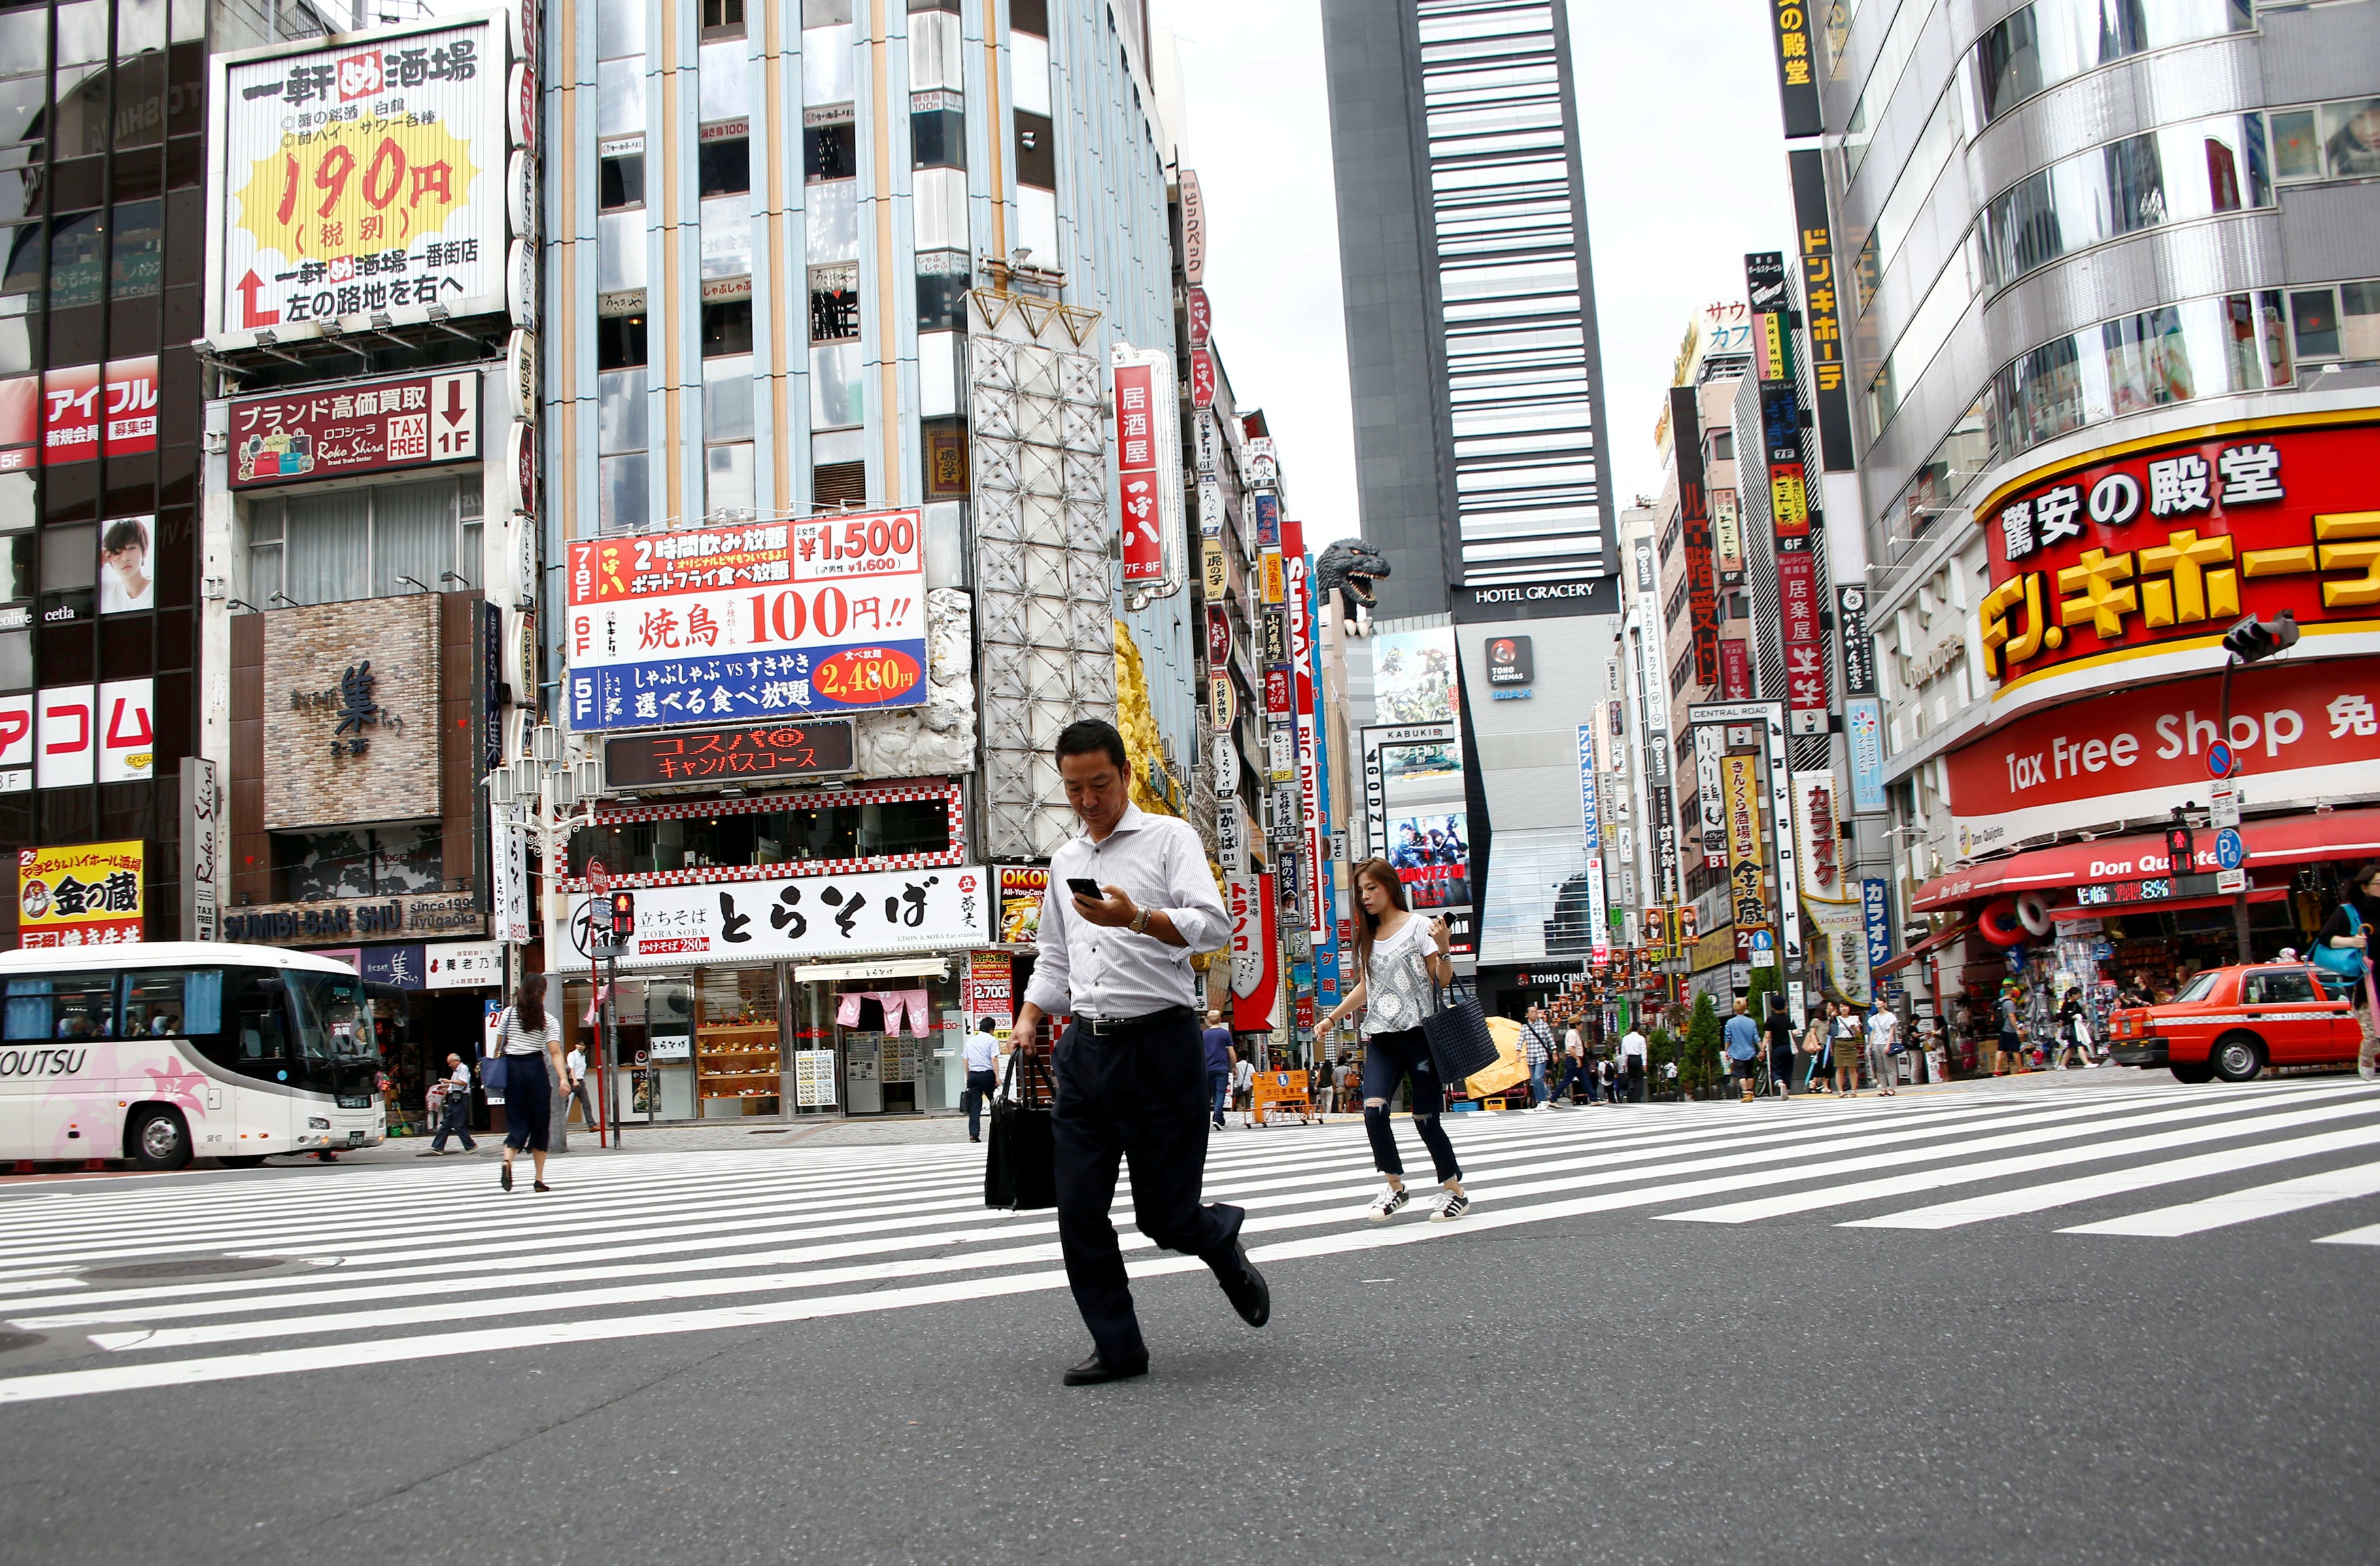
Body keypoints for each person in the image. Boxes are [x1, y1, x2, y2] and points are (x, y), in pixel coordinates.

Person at [1008, 718, 1265, 1387]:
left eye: (1099, 783)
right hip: (1084, 1053)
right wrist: (1030, 1015)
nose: (1087, 799)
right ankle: (1118, 1346)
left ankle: (1218, 1241)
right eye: (1074, 788)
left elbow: (1214, 925)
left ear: (1124, 773)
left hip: (1159, 1048)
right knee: (1077, 1210)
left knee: (1166, 1217)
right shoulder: (1064, 862)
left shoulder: (1169, 838)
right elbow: (1055, 957)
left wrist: (1137, 917)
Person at [1316, 855, 1470, 1225]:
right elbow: (1367, 986)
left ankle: (1455, 1192)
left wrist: (1444, 947)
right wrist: (1332, 1018)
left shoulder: (1419, 927)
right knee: (1373, 1111)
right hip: (1383, 1037)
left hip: (1420, 1035)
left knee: (1426, 1119)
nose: (1366, 897)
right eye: (1361, 891)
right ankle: (1395, 1186)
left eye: (1372, 888)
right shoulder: (1367, 937)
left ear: (1389, 886)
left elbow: (1441, 980)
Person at [496, 978, 566, 1193]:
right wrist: (563, 1078)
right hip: (536, 1069)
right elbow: (555, 1052)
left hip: (512, 1070)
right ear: (543, 993)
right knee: (540, 1123)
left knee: (517, 1121)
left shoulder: (508, 1014)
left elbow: (499, 1044)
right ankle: (538, 1179)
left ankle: (508, 1160)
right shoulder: (549, 1020)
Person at [2315, 861, 2380, 1079]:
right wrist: (2352, 942)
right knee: (2373, 1033)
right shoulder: (2348, 912)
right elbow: (2325, 938)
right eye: (2379, 883)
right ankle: (2367, 1054)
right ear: (2365, 887)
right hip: (2364, 980)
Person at [423, 1053, 475, 1155]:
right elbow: (456, 1084)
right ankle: (438, 1147)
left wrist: (450, 1081)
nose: (450, 1065)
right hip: (454, 1098)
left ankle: (471, 1145)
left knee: (458, 1124)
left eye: (450, 1063)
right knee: (446, 1124)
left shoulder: (463, 1068)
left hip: (460, 1098)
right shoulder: (456, 1071)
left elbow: (464, 1082)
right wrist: (445, 1086)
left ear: (457, 1061)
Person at [99, 517, 153, 613]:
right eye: (117, 552)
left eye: (132, 548)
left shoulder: (155, 591)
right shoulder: (106, 591)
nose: (125, 558)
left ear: (144, 551)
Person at [961, 1017, 1002, 1142]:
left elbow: (965, 1061)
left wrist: (968, 1077)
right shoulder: (991, 1040)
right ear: (992, 1029)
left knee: (975, 1106)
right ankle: (999, 1131)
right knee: (995, 1104)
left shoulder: (971, 1041)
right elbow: (994, 1058)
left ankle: (974, 1135)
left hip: (973, 1076)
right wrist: (997, 1077)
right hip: (987, 1075)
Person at [1202, 1008, 1234, 1130]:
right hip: (1221, 1068)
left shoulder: (1204, 1035)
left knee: (1210, 1095)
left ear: (1209, 1021)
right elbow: (1231, 1053)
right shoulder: (1225, 1034)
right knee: (1220, 1093)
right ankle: (1217, 1118)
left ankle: (1219, 1119)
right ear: (1220, 1019)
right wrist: (1234, 1067)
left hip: (1207, 1069)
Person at [1520, 1005, 1557, 1111]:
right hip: (1531, 1056)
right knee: (1533, 1081)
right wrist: (1518, 1051)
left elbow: (1550, 1039)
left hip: (1541, 1055)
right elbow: (1520, 1040)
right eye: (1532, 1012)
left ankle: (1544, 1100)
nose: (1534, 1013)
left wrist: (1554, 1052)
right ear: (1527, 1015)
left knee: (1538, 1078)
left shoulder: (1543, 1025)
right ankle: (1539, 1102)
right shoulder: (1525, 1027)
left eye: (1536, 1012)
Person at [1724, 999, 1761, 1103]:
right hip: (1750, 1051)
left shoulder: (1730, 1023)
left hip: (1737, 1052)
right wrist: (1762, 1049)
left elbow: (1728, 1038)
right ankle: (1750, 1092)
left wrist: (1727, 1051)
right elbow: (1756, 1037)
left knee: (1741, 1075)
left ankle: (1746, 1094)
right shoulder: (1752, 1022)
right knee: (1750, 1073)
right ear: (1745, 1008)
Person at [564, 1037, 600, 1136]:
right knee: (567, 1104)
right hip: (574, 1082)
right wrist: (575, 1080)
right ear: (575, 1045)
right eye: (579, 1044)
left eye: (582, 1045)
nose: (580, 1047)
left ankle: (591, 1125)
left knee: (586, 1104)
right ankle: (561, 1126)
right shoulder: (572, 1055)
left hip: (581, 1082)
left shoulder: (583, 1056)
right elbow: (571, 1068)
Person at [1865, 1004, 1900, 1096]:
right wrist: (1870, 1046)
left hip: (1886, 1043)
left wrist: (1888, 1045)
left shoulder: (1890, 1016)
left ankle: (1892, 1088)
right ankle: (1883, 1088)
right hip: (1876, 1044)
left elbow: (1892, 1031)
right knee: (1880, 1068)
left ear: (1884, 1003)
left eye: (1879, 1001)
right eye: (1876, 1001)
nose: (1877, 1003)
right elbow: (1873, 1032)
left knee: (1890, 1067)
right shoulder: (1874, 1018)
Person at [1765, 1001, 1797, 1097]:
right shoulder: (1788, 1018)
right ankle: (1787, 1088)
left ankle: (1780, 1083)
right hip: (1788, 1048)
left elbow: (1767, 1036)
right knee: (1788, 1069)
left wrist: (1762, 1048)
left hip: (1777, 1049)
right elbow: (1796, 1032)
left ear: (1773, 1007)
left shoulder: (1770, 1020)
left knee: (1776, 1068)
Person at [1996, 983, 2025, 1076]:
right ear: (2012, 991)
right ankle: (2020, 1069)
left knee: (2001, 1049)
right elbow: (2012, 1016)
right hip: (2009, 1029)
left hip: (2002, 1028)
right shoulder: (2009, 1003)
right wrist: (2017, 1029)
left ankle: (1997, 1070)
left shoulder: (1999, 1001)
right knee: (2015, 1049)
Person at [1833, 1002, 1862, 1096]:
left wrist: (1855, 1029)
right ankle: (1841, 1091)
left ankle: (1854, 1090)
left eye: (1846, 1006)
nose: (1844, 1008)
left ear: (1849, 1008)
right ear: (1839, 1009)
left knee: (1852, 1068)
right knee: (1840, 1068)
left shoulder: (1854, 1018)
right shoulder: (1835, 1019)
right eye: (1842, 1007)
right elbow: (1831, 1032)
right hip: (1839, 1043)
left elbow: (1858, 1034)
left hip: (1851, 1043)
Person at [1618, 1022, 1647, 1102]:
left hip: (1630, 1059)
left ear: (1631, 1028)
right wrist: (1644, 1064)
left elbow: (1624, 1051)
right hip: (1638, 1058)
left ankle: (1630, 1092)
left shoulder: (1626, 1038)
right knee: (1639, 1078)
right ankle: (1638, 1096)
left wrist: (1624, 1063)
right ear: (1639, 1028)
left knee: (1631, 1076)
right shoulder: (1641, 1038)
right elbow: (1644, 1051)